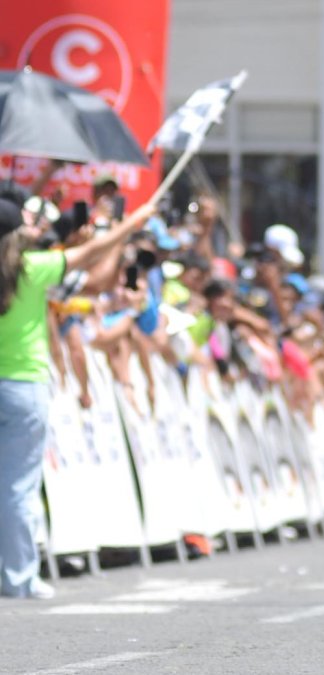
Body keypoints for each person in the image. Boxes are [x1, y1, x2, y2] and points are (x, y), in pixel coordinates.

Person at [0, 195, 155, 599]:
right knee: (18, 487)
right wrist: (132, 222)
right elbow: (93, 253)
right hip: (24, 385)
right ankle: (18, 578)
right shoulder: (33, 268)